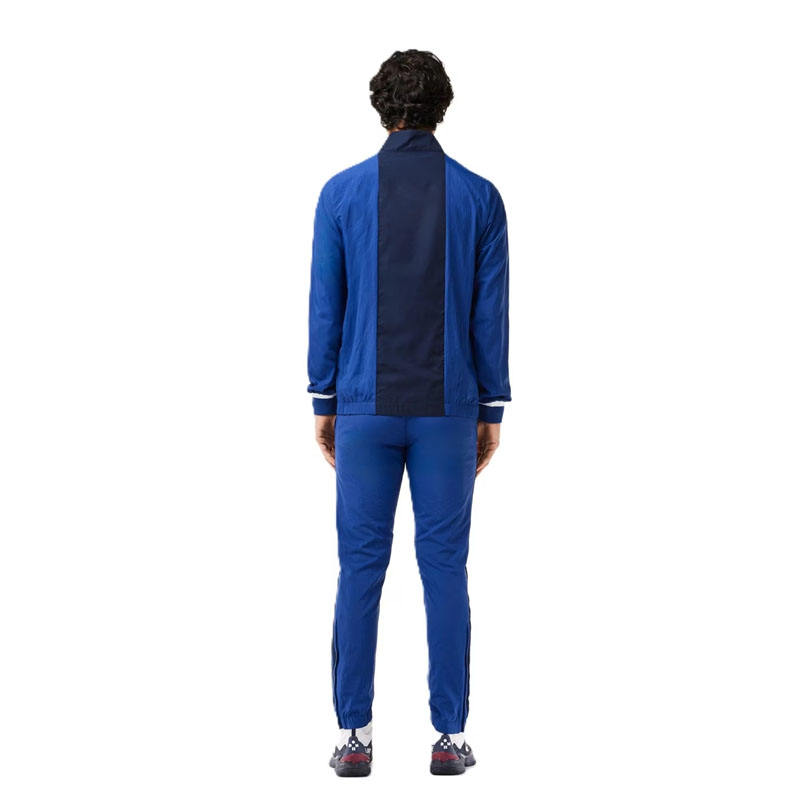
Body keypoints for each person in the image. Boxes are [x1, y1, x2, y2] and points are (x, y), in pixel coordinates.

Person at [307, 49, 511, 777]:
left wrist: (325, 400)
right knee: (445, 567)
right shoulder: (480, 198)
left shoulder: (341, 194)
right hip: (449, 409)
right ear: (442, 106)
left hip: (363, 407)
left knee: (360, 568)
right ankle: (449, 739)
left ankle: (354, 738)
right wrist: (490, 408)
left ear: (380, 105)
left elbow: (326, 305)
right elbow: (490, 314)